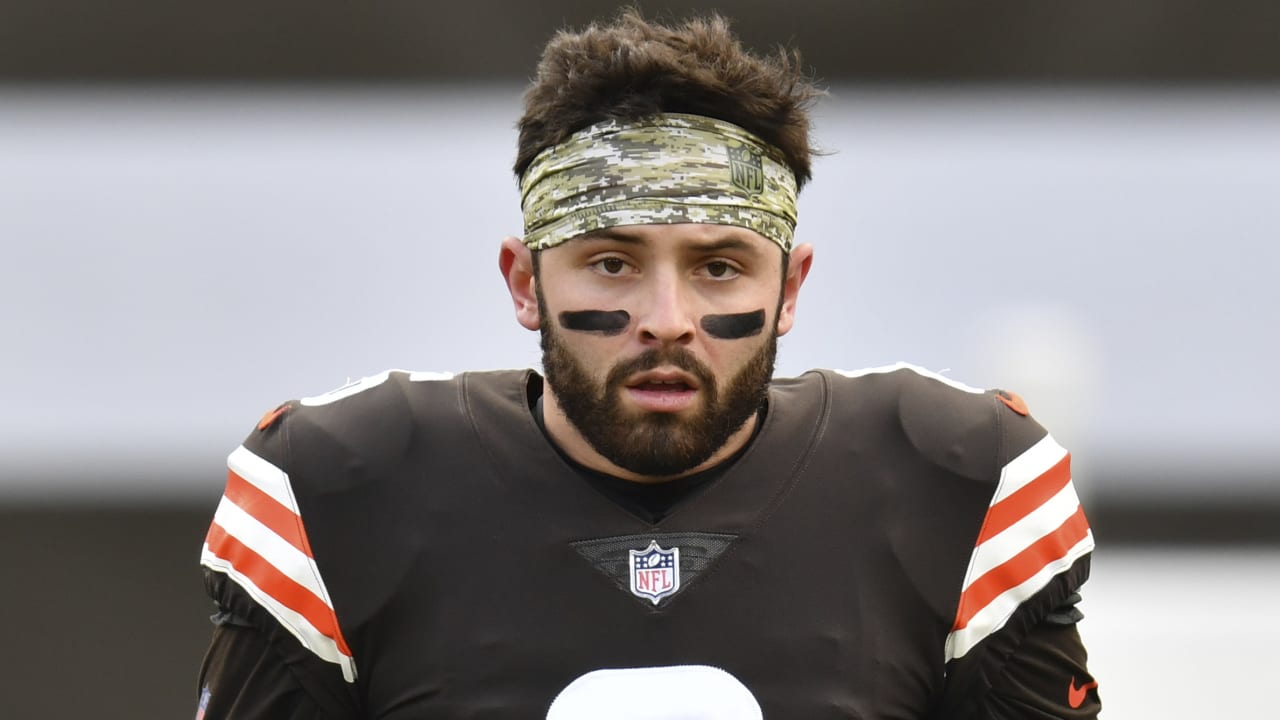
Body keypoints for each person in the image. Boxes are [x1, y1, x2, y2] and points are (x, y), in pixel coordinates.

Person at [195, 9, 1101, 719]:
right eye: (612, 262)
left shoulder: (954, 482)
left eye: (719, 267)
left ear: (789, 288)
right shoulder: (339, 490)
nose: (667, 322)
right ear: (525, 283)